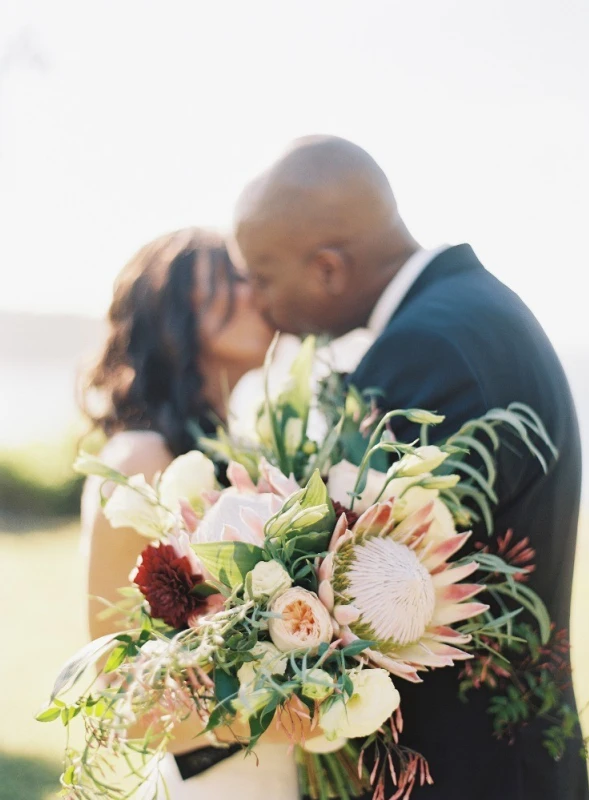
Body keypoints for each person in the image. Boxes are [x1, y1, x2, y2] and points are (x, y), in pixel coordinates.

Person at [232, 136, 588, 800]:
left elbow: (357, 594)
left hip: (464, 773)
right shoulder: (474, 314)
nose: (255, 301)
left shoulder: (424, 350)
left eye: (261, 275)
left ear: (328, 268)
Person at [80, 227, 299, 800]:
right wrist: (295, 720)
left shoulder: (244, 449)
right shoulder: (140, 458)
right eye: (231, 282)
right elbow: (122, 698)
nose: (258, 292)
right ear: (171, 315)